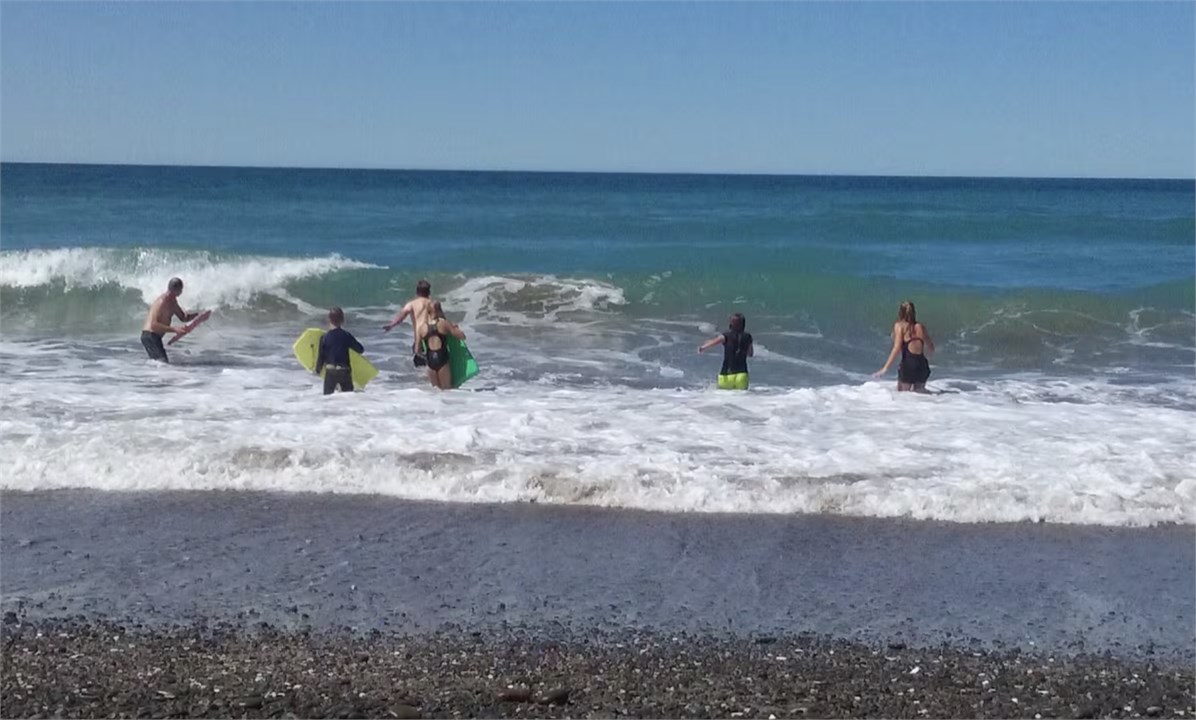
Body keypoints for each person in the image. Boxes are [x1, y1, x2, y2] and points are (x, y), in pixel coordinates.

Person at [874, 300, 935, 392]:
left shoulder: (899, 326)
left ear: (901, 312)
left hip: (908, 366)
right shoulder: (920, 326)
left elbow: (896, 348)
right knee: (920, 399)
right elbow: (931, 348)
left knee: (902, 398)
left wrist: (885, 368)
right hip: (922, 366)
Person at [141, 277, 203, 363]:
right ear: (176, 289)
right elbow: (154, 325)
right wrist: (175, 329)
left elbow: (183, 317)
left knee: (160, 363)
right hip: (149, 336)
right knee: (162, 363)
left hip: (155, 337)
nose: (181, 292)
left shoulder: (173, 302)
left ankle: (156, 376)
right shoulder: (162, 302)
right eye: (181, 289)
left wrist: (198, 315)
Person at [382, 279, 436, 367]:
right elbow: (440, 320)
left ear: (417, 292)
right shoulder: (433, 304)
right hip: (434, 338)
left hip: (419, 340)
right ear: (429, 292)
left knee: (421, 369)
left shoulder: (412, 304)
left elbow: (401, 316)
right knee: (433, 367)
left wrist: (391, 325)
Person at [416, 302, 466, 390]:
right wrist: (456, 328)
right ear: (439, 310)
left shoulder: (421, 328)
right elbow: (462, 337)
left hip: (430, 360)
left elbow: (417, 349)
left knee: (435, 391)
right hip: (442, 358)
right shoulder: (444, 324)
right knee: (447, 390)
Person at [315, 306, 365, 395]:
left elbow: (321, 357)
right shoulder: (346, 335)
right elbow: (360, 349)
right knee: (348, 398)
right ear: (342, 320)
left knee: (327, 398)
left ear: (329, 320)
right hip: (344, 371)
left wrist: (318, 370)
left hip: (330, 371)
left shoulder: (324, 337)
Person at [698, 313, 754, 390]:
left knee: (724, 399)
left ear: (731, 324)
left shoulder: (726, 335)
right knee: (741, 399)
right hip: (741, 375)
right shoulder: (748, 337)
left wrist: (703, 347)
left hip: (725, 376)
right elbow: (750, 354)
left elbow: (715, 341)